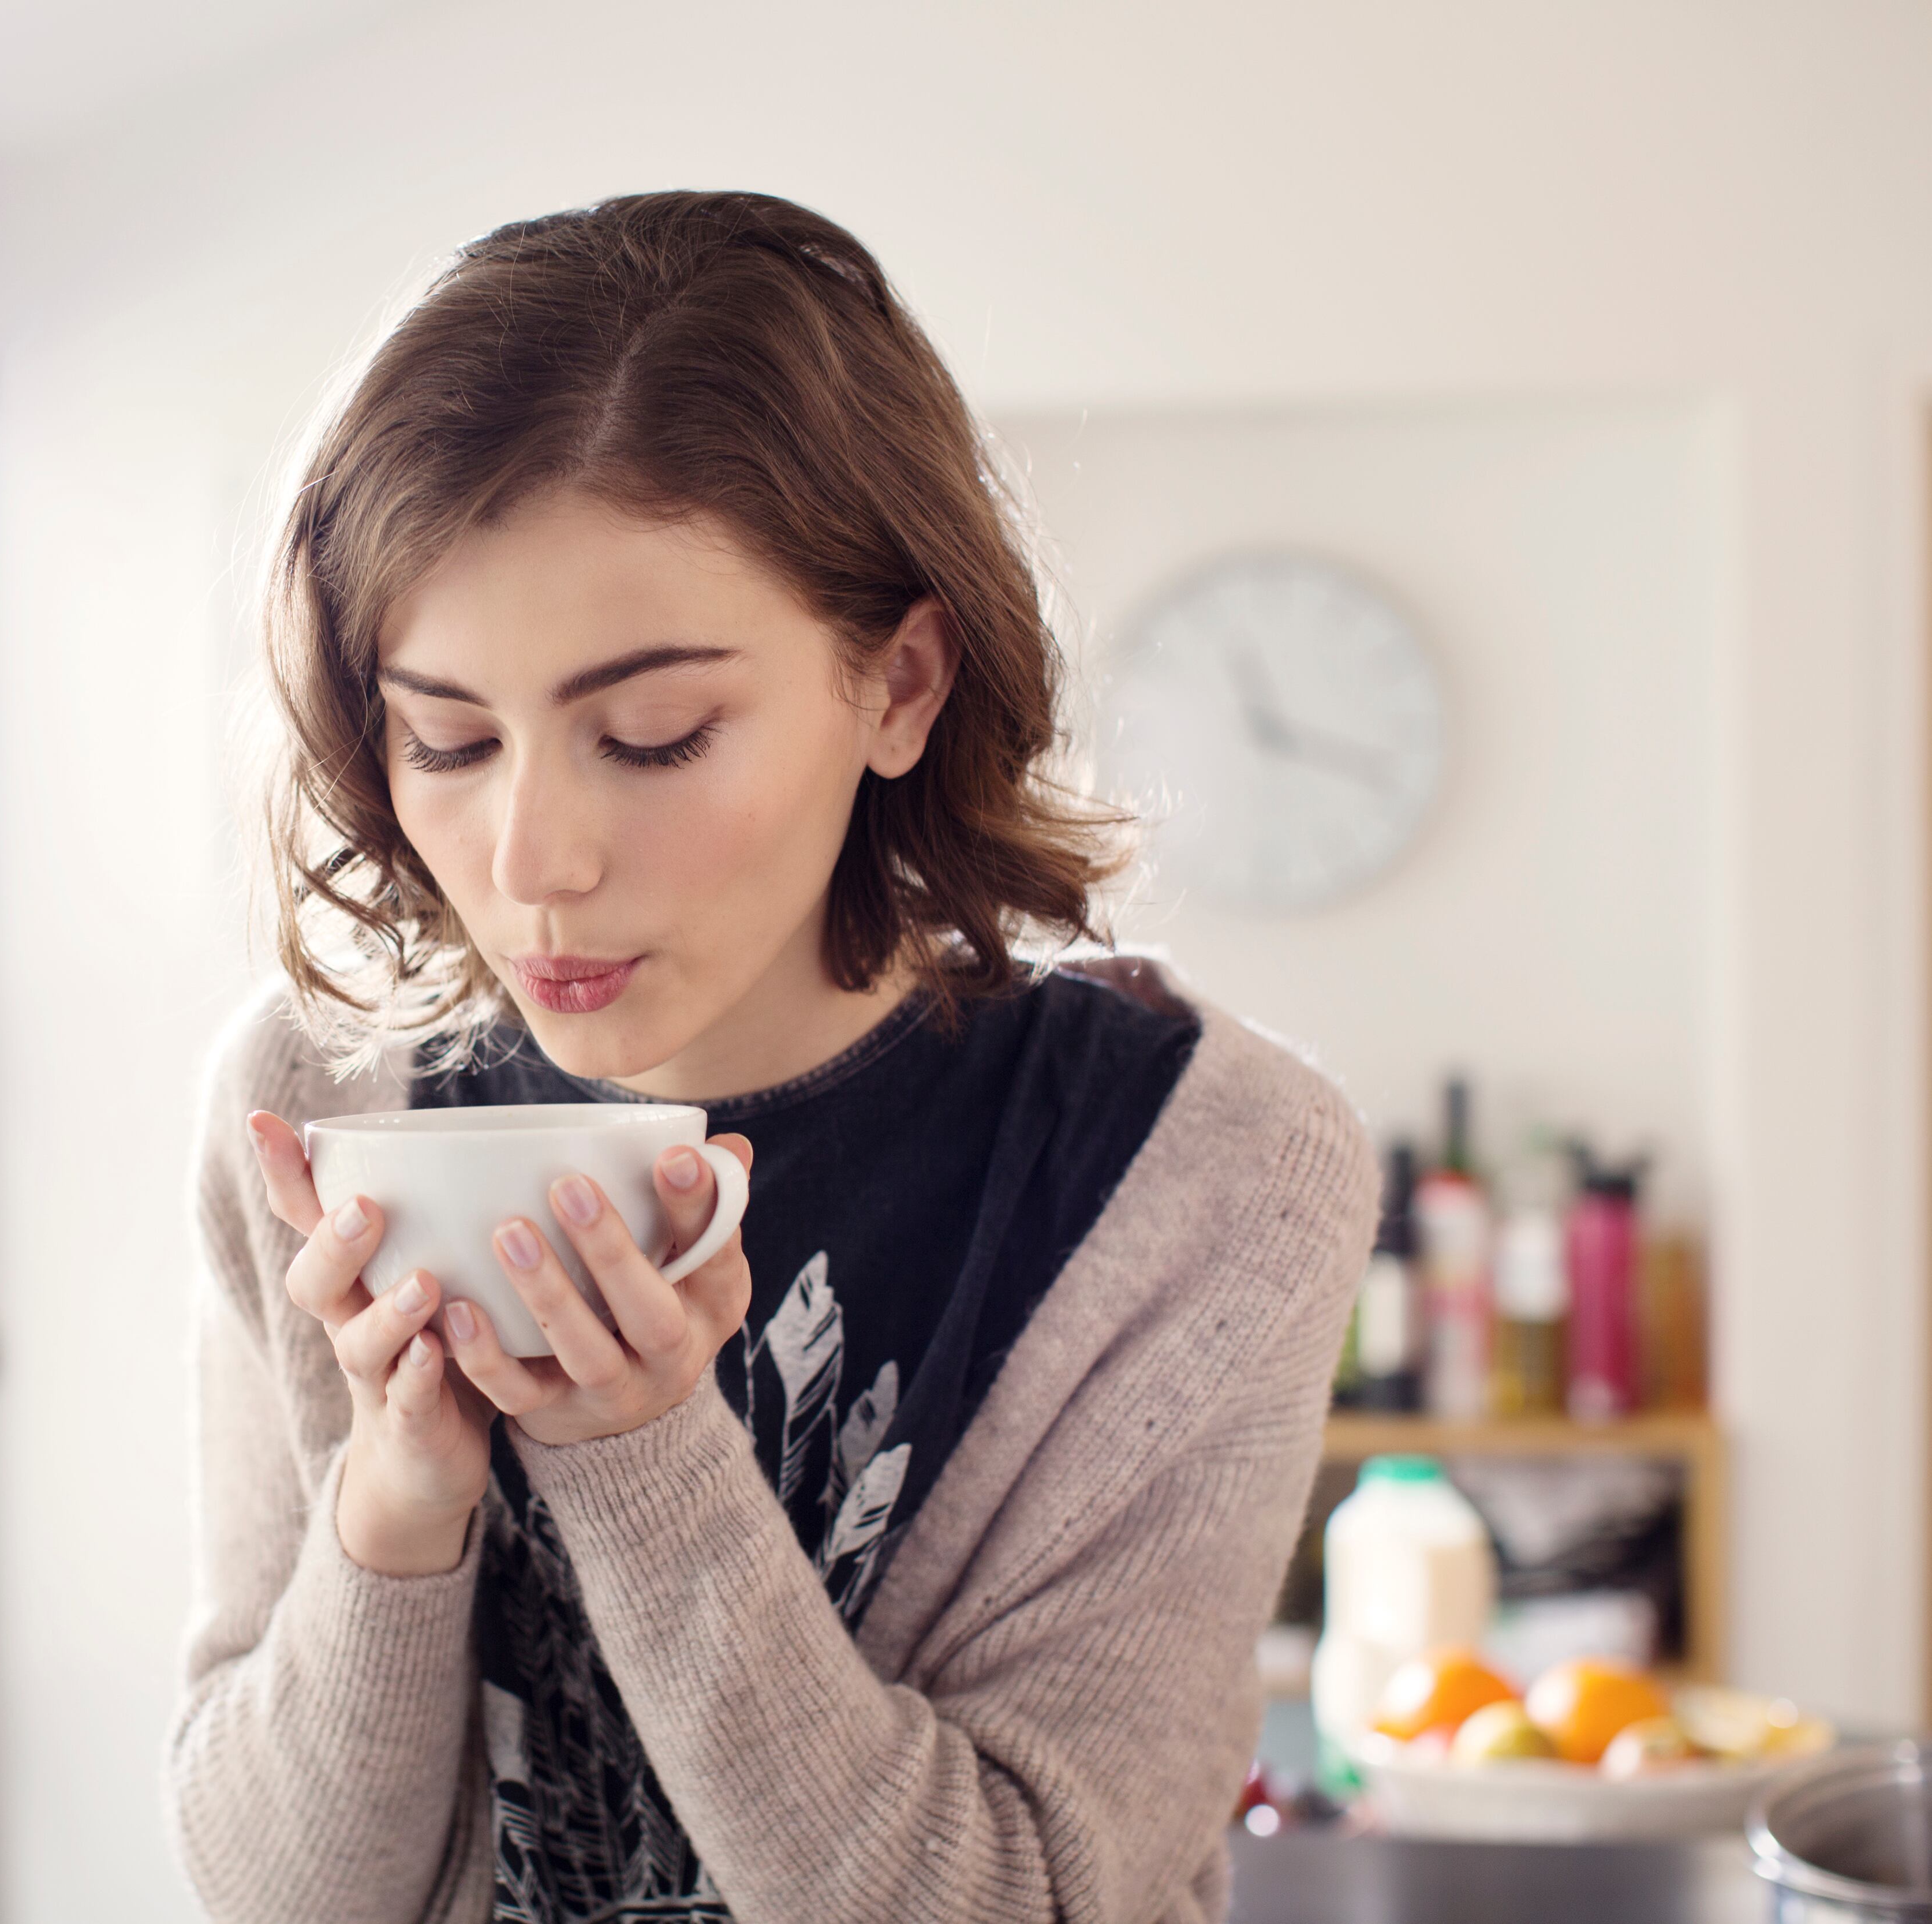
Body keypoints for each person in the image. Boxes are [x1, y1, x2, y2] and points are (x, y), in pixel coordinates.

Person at [169, 189, 1379, 1924]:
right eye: (446, 738)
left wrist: (645, 1456)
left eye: (651, 738)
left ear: (899, 684)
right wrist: (395, 1505)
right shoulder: (317, 1103)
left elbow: (1026, 1900)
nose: (532, 862)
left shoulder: (1202, 1167)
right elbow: (271, 1899)